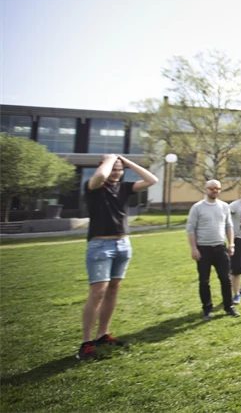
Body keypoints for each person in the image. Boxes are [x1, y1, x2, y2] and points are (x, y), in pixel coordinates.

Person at [77, 154, 158, 361]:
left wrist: (127, 162)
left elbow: (152, 180)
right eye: (113, 169)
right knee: (98, 293)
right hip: (100, 245)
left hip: (123, 244)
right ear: (104, 167)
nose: (117, 173)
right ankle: (86, 343)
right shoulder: (94, 186)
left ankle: (102, 335)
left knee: (113, 289)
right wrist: (110, 159)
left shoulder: (124, 187)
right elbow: (100, 176)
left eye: (120, 170)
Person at [187, 179, 239, 319]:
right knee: (204, 280)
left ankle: (229, 307)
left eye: (217, 188)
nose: (215, 191)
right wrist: (194, 248)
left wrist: (231, 244)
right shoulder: (197, 207)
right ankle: (207, 309)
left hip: (220, 248)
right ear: (205, 189)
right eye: (211, 188)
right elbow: (190, 229)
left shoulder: (224, 206)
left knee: (225, 278)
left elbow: (229, 226)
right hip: (203, 249)